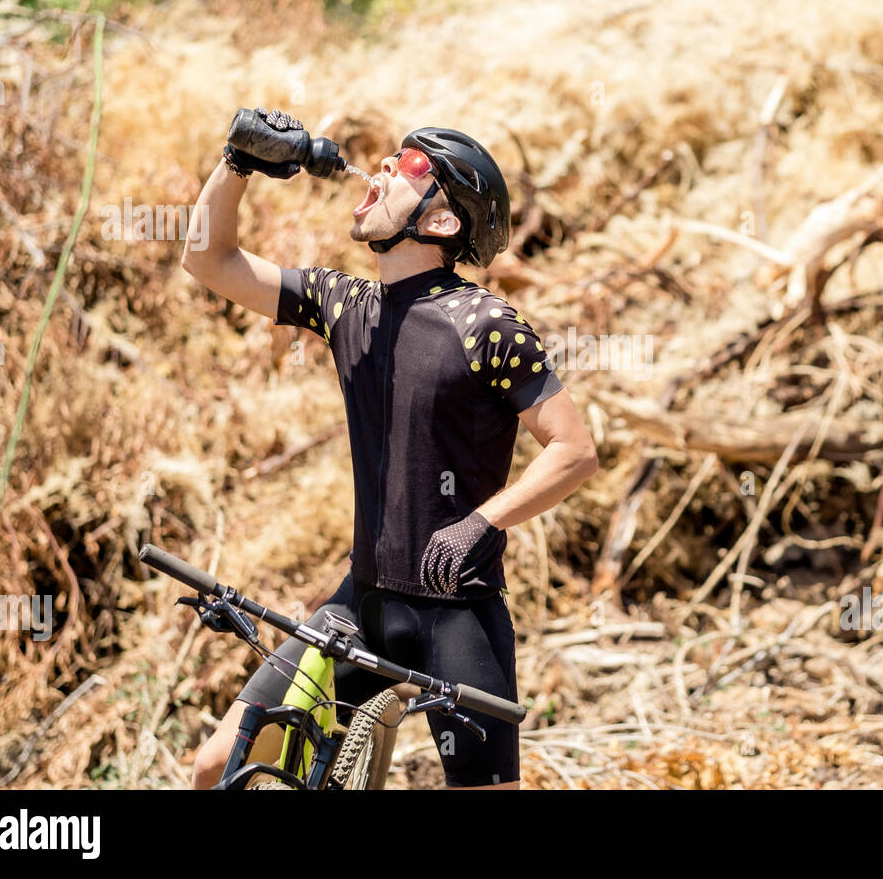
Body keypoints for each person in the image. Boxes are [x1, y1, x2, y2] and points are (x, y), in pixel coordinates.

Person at [180, 108, 598, 789]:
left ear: (440, 223)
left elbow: (574, 451)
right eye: (387, 159)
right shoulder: (344, 304)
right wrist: (237, 163)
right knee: (216, 767)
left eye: (408, 168)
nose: (381, 166)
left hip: (459, 616)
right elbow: (208, 258)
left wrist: (478, 523)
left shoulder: (486, 323)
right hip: (359, 607)